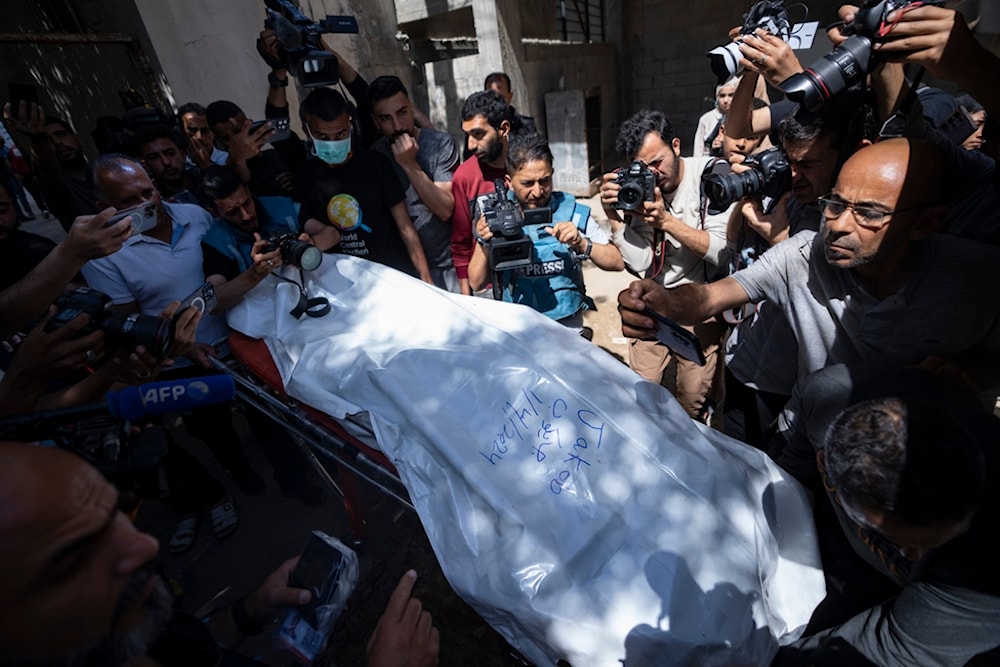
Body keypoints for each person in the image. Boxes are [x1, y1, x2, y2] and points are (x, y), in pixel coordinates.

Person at [618, 137, 1000, 441]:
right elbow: (711, 296)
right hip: (809, 440)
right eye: (834, 204)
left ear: (926, 222)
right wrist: (663, 301)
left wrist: (963, 373)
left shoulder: (979, 278)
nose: (838, 226)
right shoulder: (803, 254)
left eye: (867, 213)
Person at [0, 441, 440, 667]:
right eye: (75, 556)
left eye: (117, 511)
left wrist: (252, 609)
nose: (144, 545)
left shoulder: (140, 629)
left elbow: (201, 653)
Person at [766, 366, 1000, 666]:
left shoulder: (981, 578)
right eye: (902, 539)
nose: (914, 555)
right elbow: (790, 469)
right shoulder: (830, 396)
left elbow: (884, 648)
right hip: (834, 551)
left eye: (934, 541)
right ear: (827, 466)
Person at [598, 110, 730, 420]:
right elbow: (642, 263)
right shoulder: (640, 188)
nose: (653, 174)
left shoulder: (711, 176)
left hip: (699, 305)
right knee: (643, 393)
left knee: (691, 397)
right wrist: (616, 220)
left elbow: (724, 252)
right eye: (642, 168)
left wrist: (667, 221)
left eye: (657, 162)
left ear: (676, 145)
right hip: (654, 302)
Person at [467, 132, 623, 329]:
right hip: (518, 323)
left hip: (567, 324)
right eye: (527, 183)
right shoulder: (496, 215)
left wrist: (582, 244)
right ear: (508, 181)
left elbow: (617, 262)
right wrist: (484, 241)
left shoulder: (573, 212)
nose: (538, 192)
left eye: (545, 181)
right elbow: (477, 283)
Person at [295, 87, 433, 283]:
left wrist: (426, 280)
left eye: (341, 134)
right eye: (323, 138)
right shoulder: (306, 176)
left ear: (351, 126)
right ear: (307, 131)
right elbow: (313, 227)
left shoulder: (376, 164)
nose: (333, 143)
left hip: (394, 277)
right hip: (346, 286)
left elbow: (405, 227)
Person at [368, 75, 461, 292]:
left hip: (449, 267)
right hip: (403, 273)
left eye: (402, 113)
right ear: (375, 121)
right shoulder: (376, 156)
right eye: (386, 119)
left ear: (411, 108)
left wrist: (409, 165)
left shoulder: (439, 144)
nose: (398, 126)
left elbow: (446, 209)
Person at [451, 90, 513, 295]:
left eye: (478, 134)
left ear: (503, 129)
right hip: (485, 287)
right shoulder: (464, 176)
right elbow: (460, 243)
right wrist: (466, 297)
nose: (470, 145)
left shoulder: (526, 168)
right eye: (467, 135)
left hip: (528, 274)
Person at [2, 101, 98, 231]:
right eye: (48, 139)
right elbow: (46, 171)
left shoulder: (101, 171)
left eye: (61, 134)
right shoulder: (56, 185)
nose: (57, 142)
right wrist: (38, 139)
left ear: (77, 138)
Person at [205, 99, 304, 198]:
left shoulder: (275, 155)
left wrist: (297, 182)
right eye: (227, 138)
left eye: (240, 131)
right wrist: (237, 158)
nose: (238, 140)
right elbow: (241, 177)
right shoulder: (227, 177)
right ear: (218, 142)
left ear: (250, 125)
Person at [136, 126, 201, 205]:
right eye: (154, 158)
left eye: (170, 153)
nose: (166, 162)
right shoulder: (151, 201)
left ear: (183, 155)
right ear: (145, 166)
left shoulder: (203, 180)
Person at [691, 77, 738, 157]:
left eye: (730, 95)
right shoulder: (706, 119)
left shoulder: (741, 117)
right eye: (722, 96)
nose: (726, 100)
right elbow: (698, 149)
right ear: (717, 97)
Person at [177, 102, 229, 169]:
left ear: (213, 133)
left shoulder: (228, 161)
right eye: (193, 130)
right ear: (182, 132)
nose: (199, 137)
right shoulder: (178, 166)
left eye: (205, 131)